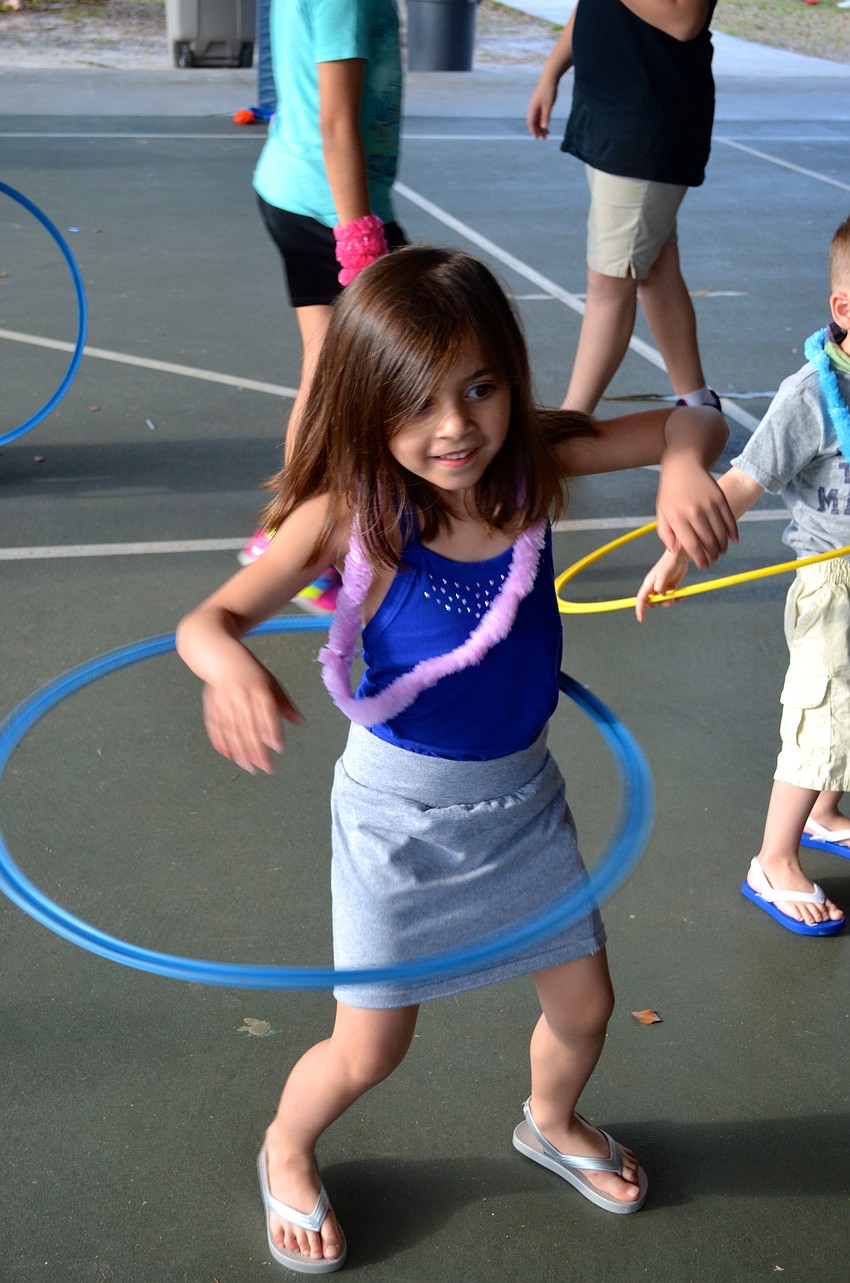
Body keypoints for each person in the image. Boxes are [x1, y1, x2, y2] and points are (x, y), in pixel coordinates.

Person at [177, 247, 734, 1273]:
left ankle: (550, 1121)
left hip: (523, 801)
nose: (455, 426)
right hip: (399, 821)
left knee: (585, 1003)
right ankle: (286, 1144)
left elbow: (694, 413)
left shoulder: (529, 461)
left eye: (480, 386)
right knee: (369, 1047)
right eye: (418, 402)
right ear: (363, 404)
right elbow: (207, 619)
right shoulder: (350, 511)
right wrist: (226, 667)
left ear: (511, 378)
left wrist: (685, 464)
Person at [636, 215, 850, 939]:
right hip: (833, 589)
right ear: (844, 310)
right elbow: (737, 487)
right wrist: (674, 552)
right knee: (820, 718)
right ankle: (774, 858)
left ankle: (822, 813)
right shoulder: (810, 397)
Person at [240, 0, 408, 613]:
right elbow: (337, 123)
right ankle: (303, 538)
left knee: (323, 362)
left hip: (299, 189)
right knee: (408, 363)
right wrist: (360, 237)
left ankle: (291, 535)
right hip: (327, 204)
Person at [528, 1, 719, 415]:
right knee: (655, 269)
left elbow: (685, 19)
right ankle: (698, 403)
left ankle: (570, 422)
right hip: (611, 113)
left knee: (608, 286)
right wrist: (551, 72)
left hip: (648, 119)